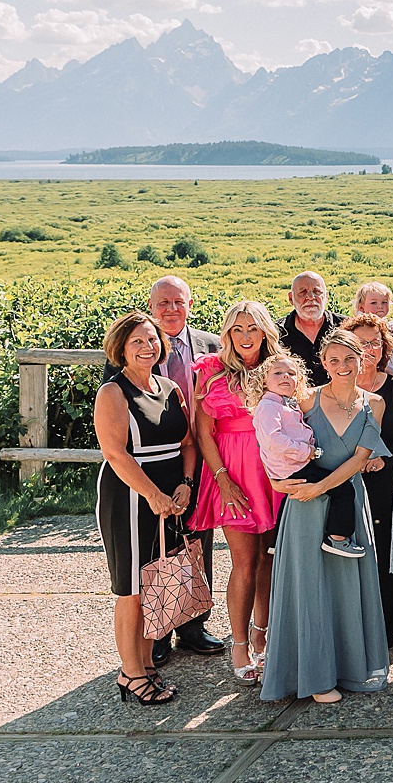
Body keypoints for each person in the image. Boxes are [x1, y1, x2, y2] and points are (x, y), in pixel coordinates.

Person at [260, 328, 391, 704]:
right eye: (334, 360)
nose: (342, 366)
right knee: (309, 588)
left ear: (362, 359)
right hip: (305, 506)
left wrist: (321, 488)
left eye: (349, 358)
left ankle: (350, 669)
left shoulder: (375, 404)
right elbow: (271, 439)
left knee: (345, 587)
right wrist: (275, 479)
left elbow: (359, 460)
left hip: (346, 504)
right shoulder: (305, 399)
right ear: (323, 363)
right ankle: (314, 678)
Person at [94, 310, 196, 705]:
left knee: (157, 583)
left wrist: (186, 484)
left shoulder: (170, 387)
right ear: (120, 348)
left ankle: (148, 665)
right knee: (132, 589)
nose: (147, 346)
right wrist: (153, 495)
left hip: (171, 494)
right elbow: (115, 454)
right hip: (130, 496)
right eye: (137, 340)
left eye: (152, 339)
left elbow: (187, 443)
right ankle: (131, 673)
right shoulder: (113, 392)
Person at [187, 300, 286, 682]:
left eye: (253, 328)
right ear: (227, 333)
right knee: (244, 562)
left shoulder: (278, 366)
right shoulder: (211, 371)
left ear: (264, 331)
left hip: (272, 472)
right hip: (232, 472)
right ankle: (240, 644)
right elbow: (203, 432)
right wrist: (223, 480)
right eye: (237, 329)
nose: (245, 336)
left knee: (268, 558)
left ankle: (263, 635)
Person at [131, 275, 223, 663]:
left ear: (190, 303)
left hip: (203, 456)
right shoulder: (135, 347)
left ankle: (193, 625)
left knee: (197, 540)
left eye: (178, 301)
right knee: (156, 545)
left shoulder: (214, 345)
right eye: (163, 303)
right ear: (151, 307)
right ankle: (158, 632)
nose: (171, 309)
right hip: (154, 461)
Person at [346, 312, 393, 646]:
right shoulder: (337, 391)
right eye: (360, 343)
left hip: (390, 482)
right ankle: (359, 628)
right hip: (349, 484)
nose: (368, 349)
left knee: (391, 552)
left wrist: (383, 459)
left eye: (374, 342)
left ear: (384, 346)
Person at [253, 354, 362, 557]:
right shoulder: (268, 406)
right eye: (278, 373)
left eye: (291, 373)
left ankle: (278, 541)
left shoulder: (285, 404)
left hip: (290, 466)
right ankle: (338, 538)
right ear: (264, 381)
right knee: (343, 489)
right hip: (292, 466)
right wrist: (307, 451)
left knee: (290, 499)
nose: (285, 376)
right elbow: (273, 440)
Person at [279, 271, 344, 385]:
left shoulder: (345, 327)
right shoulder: (276, 333)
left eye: (317, 291)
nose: (310, 297)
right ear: (291, 298)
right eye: (302, 292)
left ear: (326, 296)